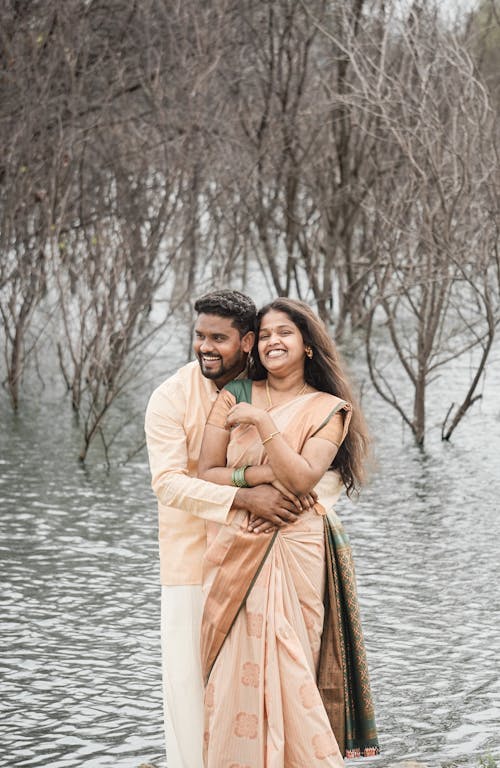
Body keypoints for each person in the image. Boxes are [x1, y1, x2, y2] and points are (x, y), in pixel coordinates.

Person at [198, 297, 379, 767]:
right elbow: (205, 472)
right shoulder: (233, 393)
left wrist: (261, 424)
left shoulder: (329, 409)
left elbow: (302, 480)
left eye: (287, 332)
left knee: (294, 658)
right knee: (235, 665)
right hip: (241, 540)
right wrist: (254, 480)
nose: (275, 341)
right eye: (267, 333)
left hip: (297, 545)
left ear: (308, 345)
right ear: (256, 345)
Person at [144, 290, 306, 768]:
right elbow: (168, 485)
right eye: (199, 336)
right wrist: (244, 495)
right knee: (190, 690)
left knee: (266, 689)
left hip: (262, 560)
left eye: (219, 337)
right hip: (191, 566)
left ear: (248, 341)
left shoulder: (275, 391)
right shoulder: (171, 397)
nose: (205, 347)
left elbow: (314, 470)